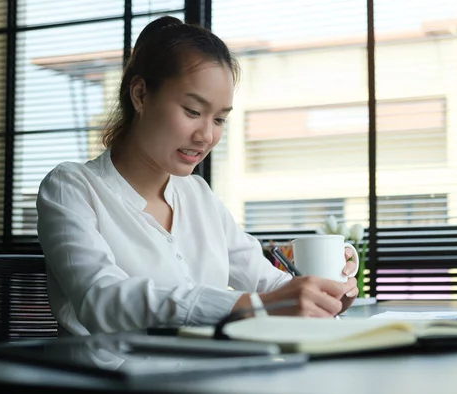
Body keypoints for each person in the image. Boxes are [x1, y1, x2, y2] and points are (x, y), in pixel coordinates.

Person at [36, 16, 359, 337]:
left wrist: (324, 295)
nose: (206, 136)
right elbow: (100, 299)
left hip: (209, 376)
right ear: (140, 95)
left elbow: (268, 282)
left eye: (219, 119)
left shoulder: (198, 195)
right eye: (193, 112)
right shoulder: (72, 188)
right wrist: (250, 306)